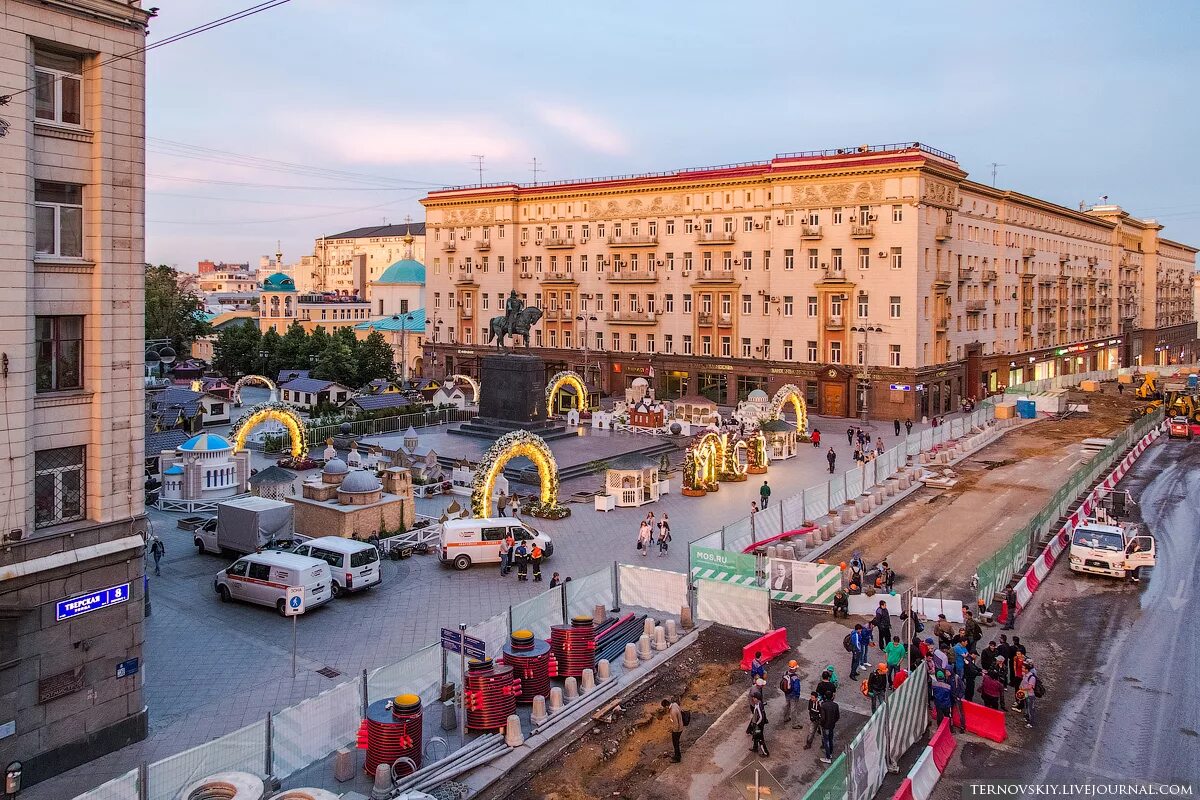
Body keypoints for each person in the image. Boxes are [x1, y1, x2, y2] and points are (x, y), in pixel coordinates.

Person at [818, 695, 840, 764]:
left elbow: (823, 718)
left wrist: (821, 724)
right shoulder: (835, 705)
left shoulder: (823, 705)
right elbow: (837, 716)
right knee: (830, 739)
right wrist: (833, 722)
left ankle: (827, 757)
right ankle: (830, 753)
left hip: (826, 726)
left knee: (826, 741)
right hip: (831, 725)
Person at [781, 661, 803, 725]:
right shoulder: (795, 678)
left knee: (787, 705)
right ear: (795, 668)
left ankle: (785, 717)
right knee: (794, 709)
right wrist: (797, 695)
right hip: (793, 695)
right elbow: (797, 688)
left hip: (787, 693)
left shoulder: (785, 673)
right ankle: (794, 724)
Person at [1019, 660, 1038, 728]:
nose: (1022, 669)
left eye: (1023, 668)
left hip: (1030, 695)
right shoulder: (1025, 675)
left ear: (1027, 669)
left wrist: (1022, 689)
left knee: (1030, 708)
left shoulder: (1032, 677)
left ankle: (1031, 722)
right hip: (1026, 694)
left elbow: (1029, 687)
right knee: (1027, 706)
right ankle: (1027, 718)